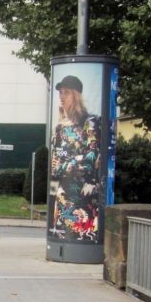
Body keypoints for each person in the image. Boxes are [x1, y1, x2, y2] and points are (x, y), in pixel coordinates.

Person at [50, 75, 101, 242]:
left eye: (66, 92)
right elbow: (54, 166)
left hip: (82, 197)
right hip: (62, 196)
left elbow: (91, 157)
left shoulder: (90, 122)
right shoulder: (59, 127)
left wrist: (67, 163)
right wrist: (52, 198)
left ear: (76, 95)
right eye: (60, 93)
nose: (61, 97)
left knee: (82, 236)